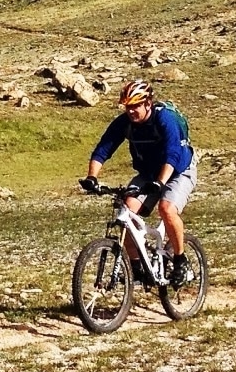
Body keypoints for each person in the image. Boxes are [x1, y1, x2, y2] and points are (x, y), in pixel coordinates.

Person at [80, 79, 196, 280]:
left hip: (179, 170)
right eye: (128, 107)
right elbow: (103, 149)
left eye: (135, 106)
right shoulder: (124, 123)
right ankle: (136, 267)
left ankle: (181, 260)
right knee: (126, 213)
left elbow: (173, 154)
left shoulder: (165, 119)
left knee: (167, 209)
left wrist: (160, 183)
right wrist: (92, 177)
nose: (131, 111)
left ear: (148, 103)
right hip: (149, 174)